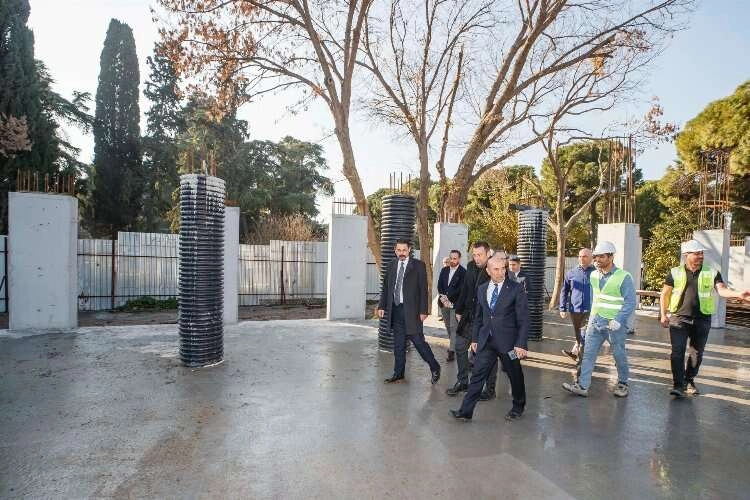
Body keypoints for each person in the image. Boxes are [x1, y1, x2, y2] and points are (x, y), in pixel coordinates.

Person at [660, 239, 750, 398]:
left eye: (702, 253)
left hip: (702, 319)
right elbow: (665, 294)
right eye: (697, 253)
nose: (701, 256)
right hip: (679, 318)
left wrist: (738, 294)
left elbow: (721, 290)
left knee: (696, 354)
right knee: (677, 352)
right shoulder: (675, 272)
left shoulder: (712, 272)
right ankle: (678, 385)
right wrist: (663, 314)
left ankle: (689, 380)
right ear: (687, 255)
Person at [450, 254, 529, 421]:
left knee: (515, 374)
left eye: (503, 268)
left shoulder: (516, 288)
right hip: (487, 341)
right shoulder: (482, 289)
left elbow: (523, 318)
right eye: (496, 269)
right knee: (477, 375)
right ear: (488, 270)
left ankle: (518, 406)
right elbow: (479, 317)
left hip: (509, 344)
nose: (501, 272)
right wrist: (475, 339)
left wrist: (521, 344)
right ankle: (465, 411)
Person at [562, 241, 635, 398]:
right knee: (588, 354)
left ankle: (623, 384)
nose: (597, 260)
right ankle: (582, 385)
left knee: (619, 355)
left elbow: (630, 302)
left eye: (601, 257)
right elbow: (595, 299)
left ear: (611, 257)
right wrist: (591, 320)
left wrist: (619, 320)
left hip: (615, 325)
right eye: (596, 257)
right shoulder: (594, 275)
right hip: (595, 322)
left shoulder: (624, 277)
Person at [378, 239, 441, 385]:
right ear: (395, 250)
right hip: (396, 311)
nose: (401, 253)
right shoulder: (391, 265)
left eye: (404, 250)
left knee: (419, 342)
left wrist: (423, 310)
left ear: (409, 250)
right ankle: (398, 374)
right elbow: (386, 288)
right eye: (399, 250)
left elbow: (423, 290)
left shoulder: (418, 266)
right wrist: (382, 306)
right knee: (398, 345)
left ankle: (435, 367)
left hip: (412, 312)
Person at [447, 242, 492, 396]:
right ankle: (463, 381)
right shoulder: (471, 266)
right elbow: (465, 289)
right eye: (474, 255)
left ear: (488, 254)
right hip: (468, 316)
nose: (477, 258)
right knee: (460, 346)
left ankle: (489, 389)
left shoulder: (495, 268)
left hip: (485, 320)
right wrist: (459, 309)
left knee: (486, 354)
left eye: (480, 255)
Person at [559, 248, 595, 383]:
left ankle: (581, 368)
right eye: (580, 256)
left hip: (590, 311)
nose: (581, 258)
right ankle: (581, 357)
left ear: (591, 258)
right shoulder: (571, 273)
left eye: (585, 256)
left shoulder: (596, 273)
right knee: (579, 338)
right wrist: (562, 308)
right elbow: (564, 291)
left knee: (584, 338)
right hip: (575, 310)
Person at [437, 250, 466, 362]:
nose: (452, 260)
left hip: (455, 304)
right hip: (443, 303)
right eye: (451, 258)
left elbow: (462, 289)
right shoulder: (444, 270)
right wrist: (443, 298)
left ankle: (451, 351)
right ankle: (454, 344)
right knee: (448, 327)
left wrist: (449, 298)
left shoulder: (463, 272)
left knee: (454, 327)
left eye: (455, 258)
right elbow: (439, 285)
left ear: (459, 259)